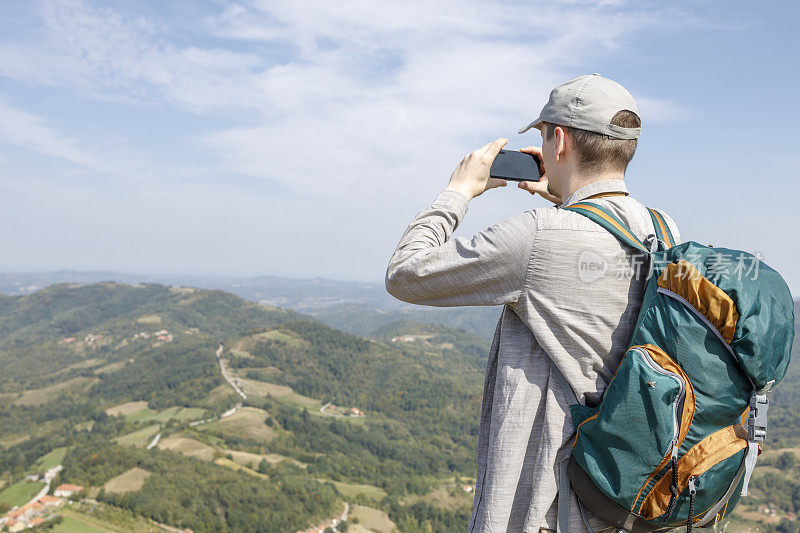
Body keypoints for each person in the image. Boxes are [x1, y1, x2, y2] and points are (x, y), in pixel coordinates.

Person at [384, 74, 681, 533]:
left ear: (558, 139)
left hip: (548, 505)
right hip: (626, 494)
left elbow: (406, 273)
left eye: (543, 134)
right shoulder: (663, 230)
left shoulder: (541, 235)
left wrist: (457, 191)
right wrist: (569, 198)